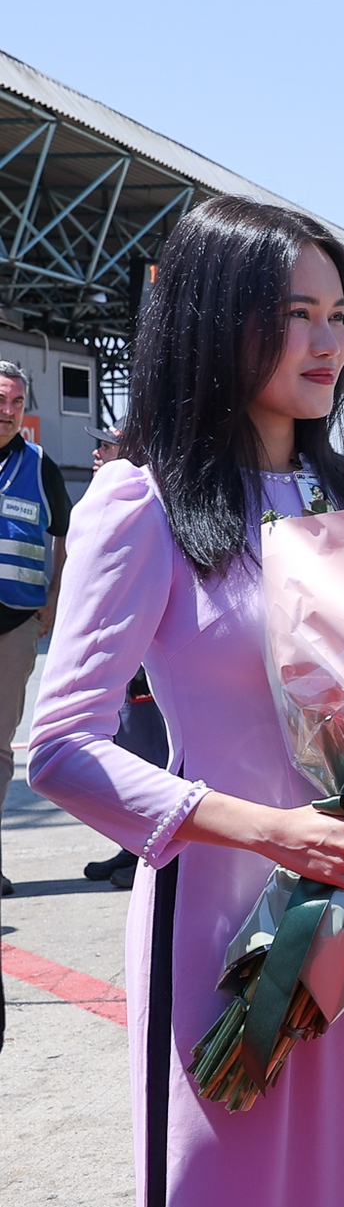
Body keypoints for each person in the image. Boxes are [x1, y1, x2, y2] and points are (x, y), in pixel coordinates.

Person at [29, 195, 344, 1207]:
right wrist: (267, 829)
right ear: (218, 320)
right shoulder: (145, 502)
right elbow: (60, 745)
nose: (328, 341)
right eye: (295, 313)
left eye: (338, 315)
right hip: (226, 918)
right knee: (230, 1187)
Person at [76, 426, 163, 892]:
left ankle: (149, 851)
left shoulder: (144, 503)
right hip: (117, 652)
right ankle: (130, 844)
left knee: (147, 756)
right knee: (124, 747)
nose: (95, 452)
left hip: (143, 658)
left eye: (105, 446)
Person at [0, 361, 73, 897]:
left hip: (13, 628)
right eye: (0, 399)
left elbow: (67, 534)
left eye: (16, 403)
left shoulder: (39, 465)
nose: (7, 411)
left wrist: (53, 603)